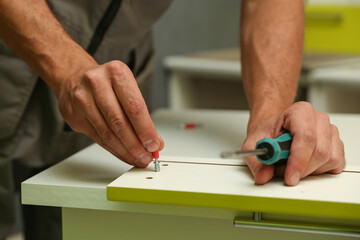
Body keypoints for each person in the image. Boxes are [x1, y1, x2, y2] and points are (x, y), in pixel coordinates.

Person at [0, 0, 345, 239]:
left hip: (116, 73)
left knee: (74, 221)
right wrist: (66, 66)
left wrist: (269, 112)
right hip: (10, 53)